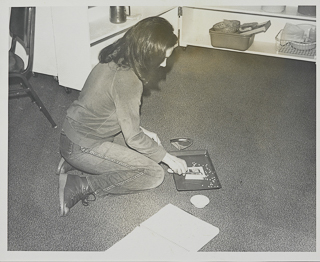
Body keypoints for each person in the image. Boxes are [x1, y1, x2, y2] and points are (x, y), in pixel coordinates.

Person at [57, 16, 188, 217]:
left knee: (148, 148)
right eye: (163, 57)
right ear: (148, 54)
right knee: (153, 173)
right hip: (83, 144)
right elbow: (133, 138)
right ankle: (82, 184)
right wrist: (168, 158)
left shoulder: (116, 56)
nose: (164, 64)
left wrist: (142, 130)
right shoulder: (129, 81)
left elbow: (108, 107)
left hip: (77, 132)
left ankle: (75, 161)